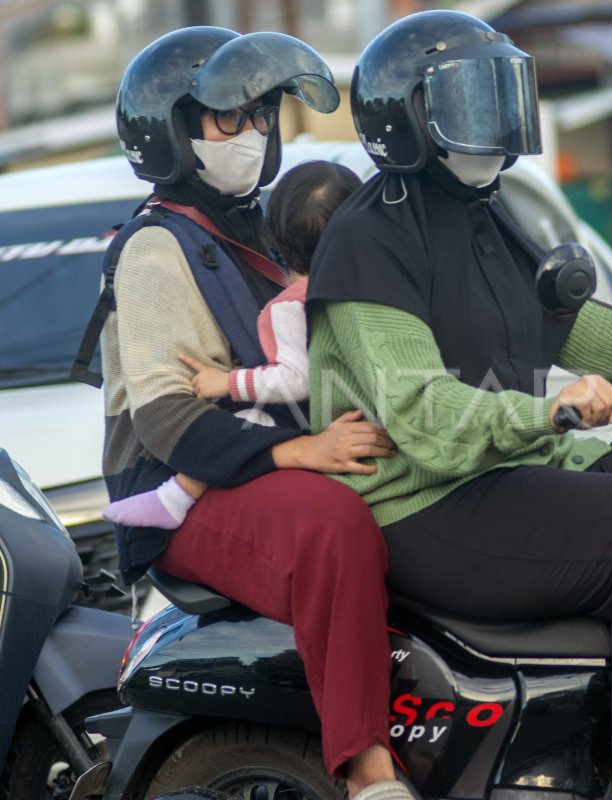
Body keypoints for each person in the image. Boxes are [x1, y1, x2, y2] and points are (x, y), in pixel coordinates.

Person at [304, 11, 612, 800]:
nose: (495, 123)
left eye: (501, 97)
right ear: (406, 118)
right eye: (471, 102)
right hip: (424, 505)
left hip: (505, 471)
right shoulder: (370, 242)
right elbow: (425, 416)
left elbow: (596, 333)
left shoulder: (485, 213)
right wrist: (550, 413)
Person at [100, 28, 406, 798]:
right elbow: (167, 420)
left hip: (263, 455)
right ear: (173, 130)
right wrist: (299, 455)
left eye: (263, 117)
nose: (254, 135)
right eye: (229, 120)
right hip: (181, 490)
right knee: (330, 524)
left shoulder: (264, 227)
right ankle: (369, 769)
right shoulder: (154, 249)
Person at [101, 160, 363, 530]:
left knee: (244, 423)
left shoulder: (290, 305)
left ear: (279, 237)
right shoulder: (373, 288)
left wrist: (228, 382)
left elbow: (295, 378)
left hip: (318, 422)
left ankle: (175, 497)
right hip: (362, 414)